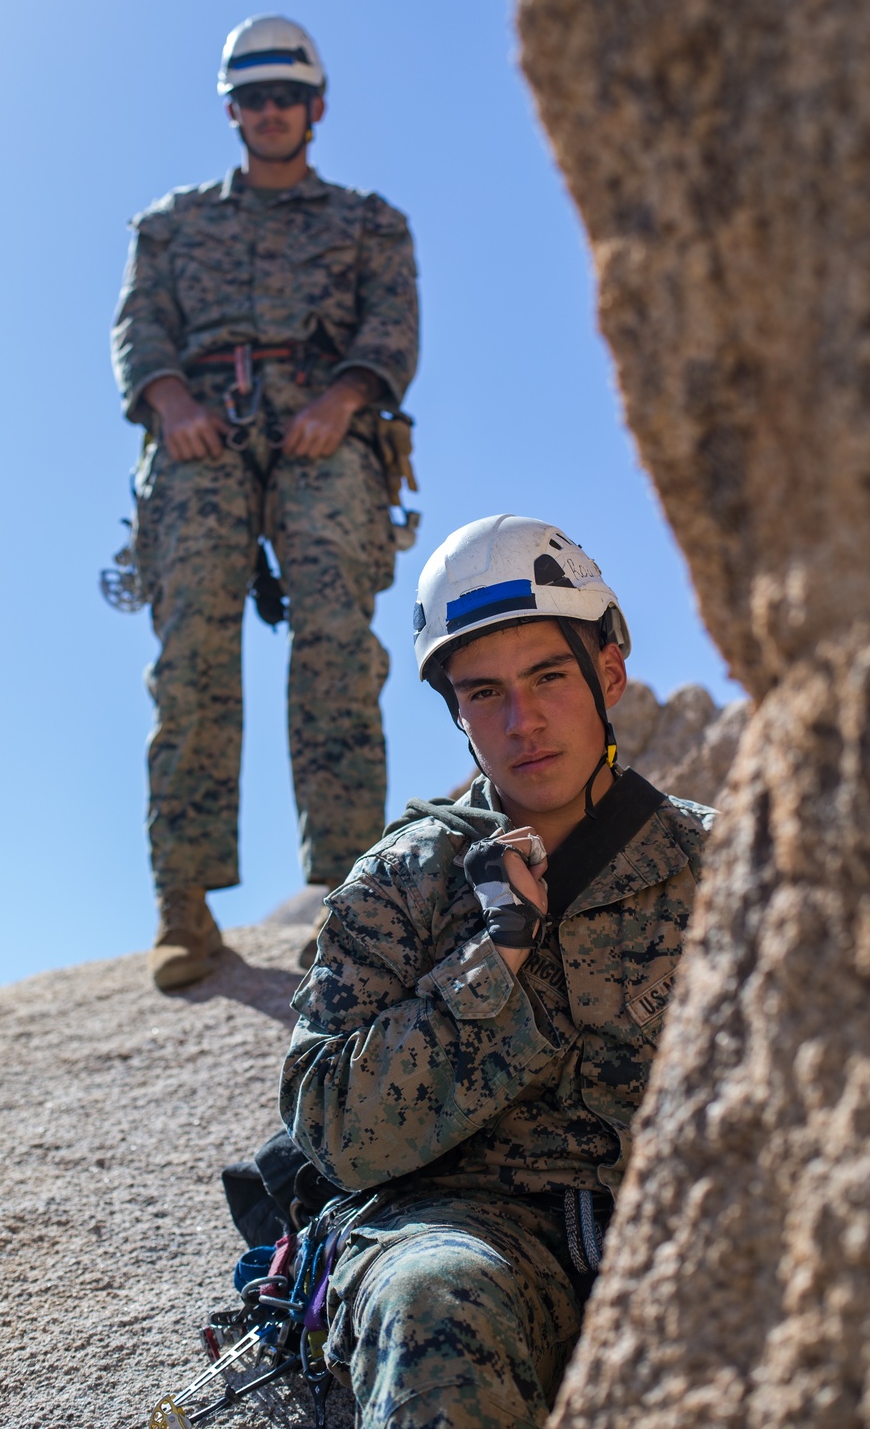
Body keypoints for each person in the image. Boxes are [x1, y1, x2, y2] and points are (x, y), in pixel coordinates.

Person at [279, 513, 715, 1429]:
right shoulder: (404, 879)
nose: (523, 721)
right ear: (457, 713)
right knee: (435, 1295)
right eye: (485, 693)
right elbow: (336, 1131)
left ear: (609, 672)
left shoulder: (721, 860)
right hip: (472, 1231)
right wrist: (495, 959)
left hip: (687, 1220)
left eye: (549, 677)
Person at [110, 15, 419, 990]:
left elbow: (392, 328)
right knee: (190, 651)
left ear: (316, 107)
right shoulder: (169, 224)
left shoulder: (371, 222)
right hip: (201, 428)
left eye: (287, 94)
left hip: (328, 428)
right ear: (231, 110)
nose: (271, 109)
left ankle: (355, 903)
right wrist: (169, 401)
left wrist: (342, 399)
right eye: (252, 96)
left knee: (335, 638)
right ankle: (184, 908)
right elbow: (139, 328)